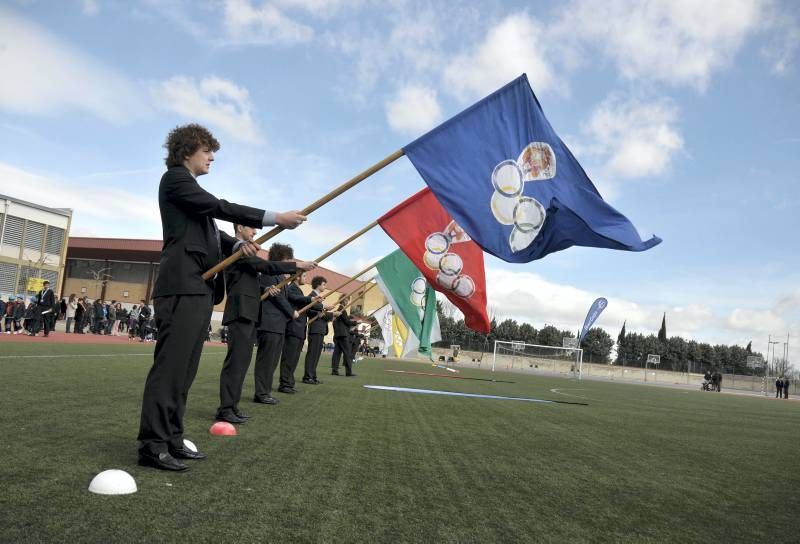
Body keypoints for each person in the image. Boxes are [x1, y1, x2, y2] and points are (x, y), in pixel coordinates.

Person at [137, 123, 307, 472]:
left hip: (199, 291)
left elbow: (219, 238)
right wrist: (276, 217)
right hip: (182, 286)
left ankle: (172, 437)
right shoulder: (175, 180)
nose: (212, 156)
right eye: (206, 150)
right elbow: (219, 207)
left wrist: (240, 245)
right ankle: (152, 444)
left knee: (185, 371)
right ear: (187, 152)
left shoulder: (193, 197)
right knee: (170, 370)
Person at [215, 226, 314, 425]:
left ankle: (232, 406)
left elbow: (256, 278)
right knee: (236, 363)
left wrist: (265, 287)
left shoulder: (245, 252)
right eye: (252, 228)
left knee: (242, 363)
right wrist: (297, 265)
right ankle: (225, 408)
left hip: (250, 312)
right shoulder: (237, 250)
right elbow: (266, 267)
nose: (255, 233)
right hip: (240, 310)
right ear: (240, 228)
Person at [253, 243, 299, 406]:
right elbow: (278, 297)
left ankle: (265, 391)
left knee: (272, 361)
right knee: (266, 360)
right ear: (280, 259)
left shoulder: (281, 277)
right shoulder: (269, 273)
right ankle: (261, 393)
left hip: (278, 325)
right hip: (269, 323)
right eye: (288, 260)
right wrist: (291, 312)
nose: (289, 263)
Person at [278, 272, 321, 394]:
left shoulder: (298, 290)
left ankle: (289, 383)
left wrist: (320, 307)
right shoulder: (292, 288)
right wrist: (311, 299)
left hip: (299, 329)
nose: (306, 279)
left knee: (294, 358)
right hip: (293, 328)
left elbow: (305, 306)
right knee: (289, 357)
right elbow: (297, 299)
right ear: (297, 277)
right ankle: (284, 383)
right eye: (304, 276)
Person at [303, 276, 338, 385]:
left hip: (321, 329)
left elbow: (323, 314)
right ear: (318, 285)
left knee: (317, 354)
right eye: (323, 284)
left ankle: (313, 376)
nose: (325, 286)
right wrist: (328, 312)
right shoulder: (311, 296)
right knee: (312, 353)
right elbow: (308, 311)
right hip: (315, 329)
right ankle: (307, 376)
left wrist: (330, 314)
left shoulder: (320, 298)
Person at [331, 299, 358, 376]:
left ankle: (334, 370)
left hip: (338, 335)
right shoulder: (342, 310)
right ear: (343, 301)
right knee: (347, 353)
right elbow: (347, 321)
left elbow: (343, 322)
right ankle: (348, 372)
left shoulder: (338, 310)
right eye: (347, 300)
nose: (348, 302)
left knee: (337, 353)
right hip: (342, 335)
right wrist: (356, 322)